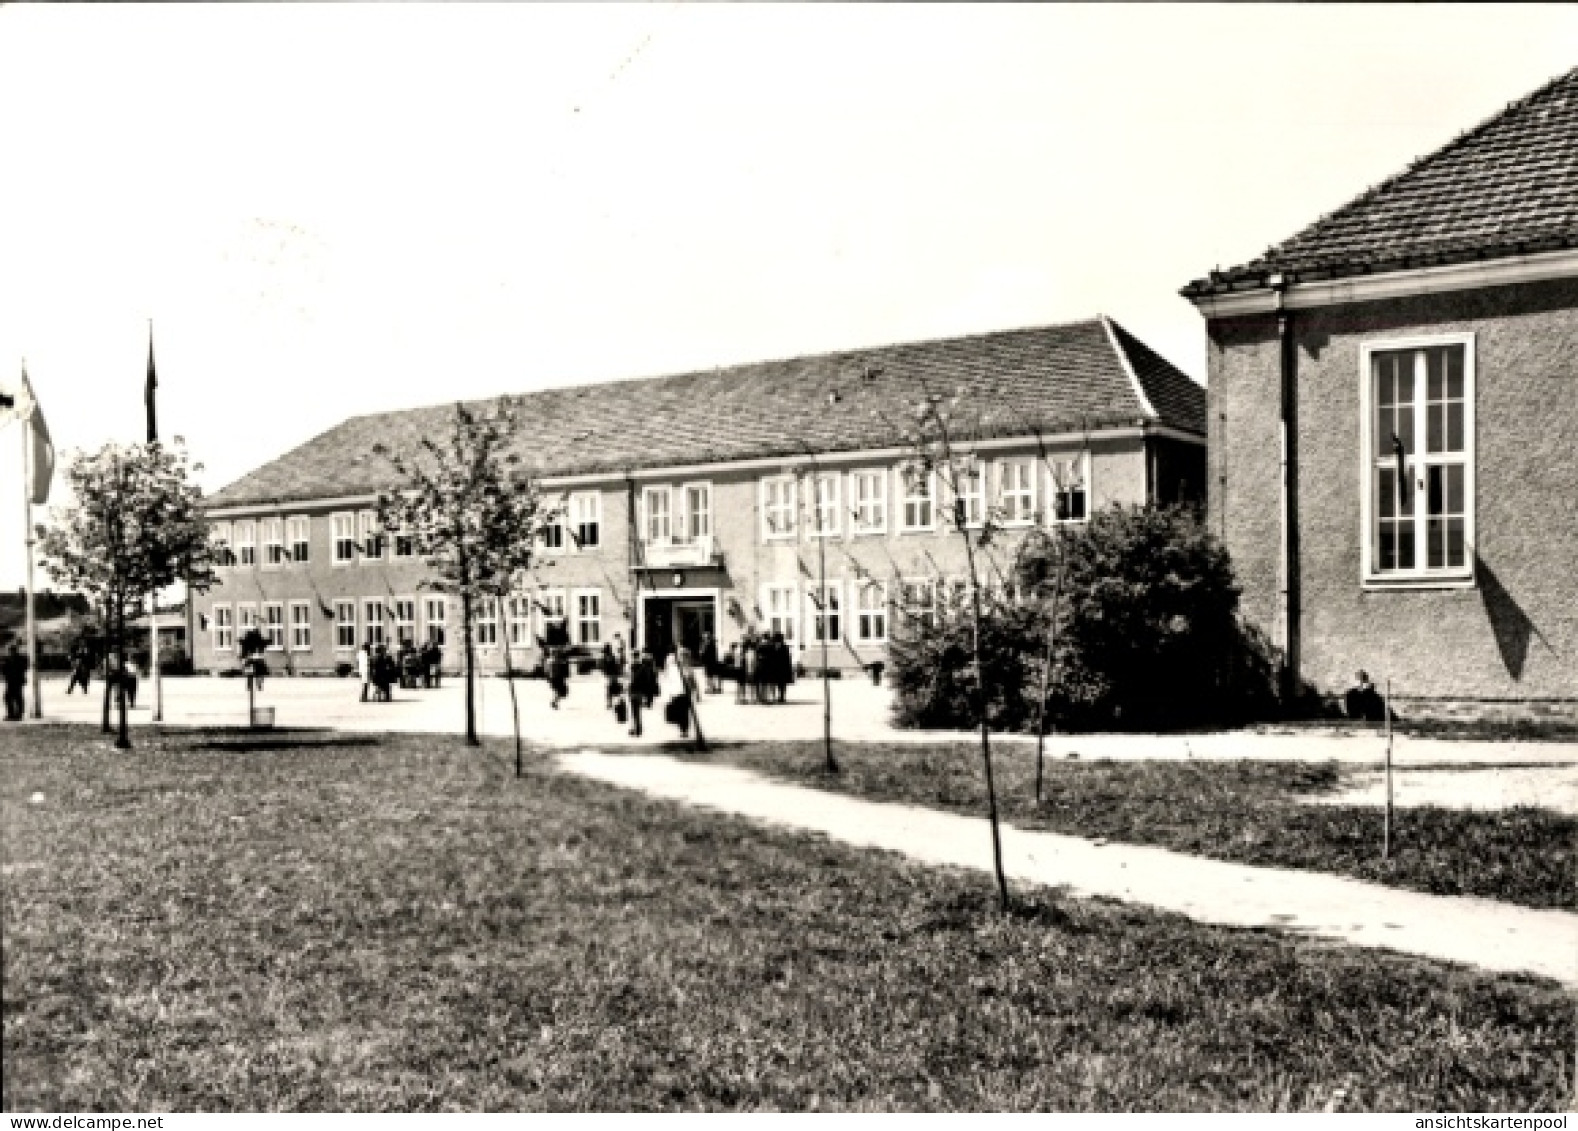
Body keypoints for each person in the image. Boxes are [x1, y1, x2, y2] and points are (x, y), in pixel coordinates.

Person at [627, 649, 659, 737]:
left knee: (635, 711)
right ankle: (637, 728)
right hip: (638, 691)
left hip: (635, 691)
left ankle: (637, 729)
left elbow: (628, 679)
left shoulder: (632, 667)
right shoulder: (642, 667)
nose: (634, 659)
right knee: (636, 711)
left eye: (634, 657)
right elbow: (647, 681)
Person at [3, 642, 28, 721]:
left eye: (10, 650)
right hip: (11, 680)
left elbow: (23, 668)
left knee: (17, 697)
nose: (9, 652)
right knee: (9, 697)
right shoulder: (8, 659)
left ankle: (18, 714)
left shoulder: (20, 659)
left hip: (17, 680)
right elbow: (4, 669)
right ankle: (12, 714)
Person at [599, 643, 622, 708]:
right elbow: (617, 666)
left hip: (610, 676)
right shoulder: (612, 657)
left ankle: (610, 703)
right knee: (614, 689)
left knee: (610, 690)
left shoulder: (607, 658)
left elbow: (602, 667)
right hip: (613, 675)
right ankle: (613, 702)